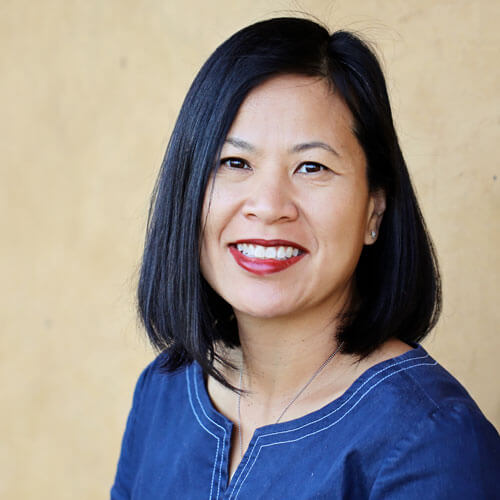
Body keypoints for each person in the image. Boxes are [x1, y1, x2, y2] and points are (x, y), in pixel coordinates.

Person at [111, 17, 499, 499]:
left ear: (373, 210)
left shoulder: (433, 442)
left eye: (312, 167)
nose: (269, 206)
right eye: (235, 163)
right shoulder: (164, 393)